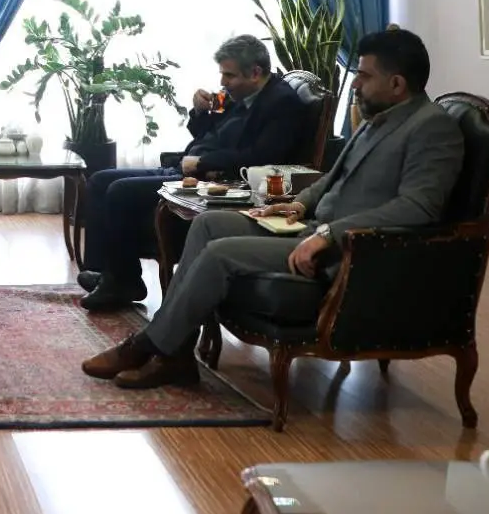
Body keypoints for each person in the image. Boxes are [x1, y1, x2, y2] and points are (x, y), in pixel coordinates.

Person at [82, 28, 464, 389]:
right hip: (311, 228)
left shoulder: (432, 128)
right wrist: (296, 204)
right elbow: (333, 179)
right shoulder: (377, 119)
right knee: (209, 224)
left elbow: (418, 207)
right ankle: (176, 353)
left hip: (349, 250)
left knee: (219, 254)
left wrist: (327, 234)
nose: (356, 85)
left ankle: (150, 346)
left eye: (364, 76)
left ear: (396, 84)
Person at [77, 35, 308, 311]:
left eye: (229, 75)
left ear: (255, 72)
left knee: (120, 190)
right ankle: (107, 273)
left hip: (212, 180)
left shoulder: (281, 104)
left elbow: (259, 158)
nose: (222, 82)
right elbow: (208, 132)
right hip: (185, 167)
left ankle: (123, 282)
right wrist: (199, 112)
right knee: (99, 180)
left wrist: (202, 163)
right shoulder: (240, 95)